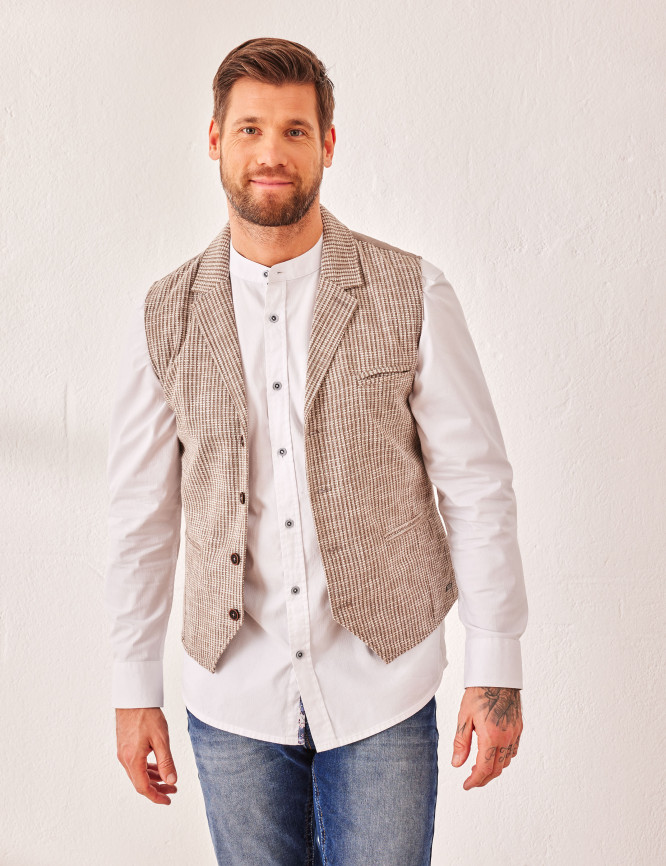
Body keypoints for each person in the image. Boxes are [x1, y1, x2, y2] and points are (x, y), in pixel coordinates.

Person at [104, 36, 528, 866]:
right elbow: (139, 515)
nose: (272, 152)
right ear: (216, 140)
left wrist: (496, 664)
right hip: (233, 698)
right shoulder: (164, 314)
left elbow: (476, 485)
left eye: (295, 130)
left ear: (327, 144)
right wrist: (132, 686)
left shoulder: (411, 291)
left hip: (383, 687)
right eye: (251, 129)